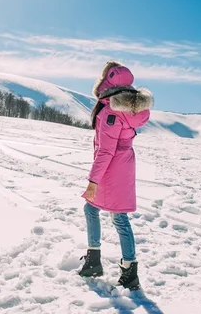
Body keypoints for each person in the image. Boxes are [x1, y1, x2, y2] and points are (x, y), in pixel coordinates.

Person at [78, 61, 153, 290]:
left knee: (111, 215)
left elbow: (106, 150)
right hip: (123, 166)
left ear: (108, 81)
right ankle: (120, 267)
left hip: (112, 169)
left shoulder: (110, 110)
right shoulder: (127, 109)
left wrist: (93, 181)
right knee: (102, 211)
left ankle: (107, 265)